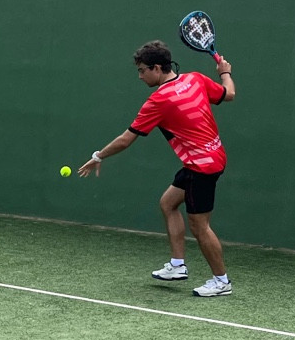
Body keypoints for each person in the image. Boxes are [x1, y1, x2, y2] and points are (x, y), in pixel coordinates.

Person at [78, 39, 236, 297]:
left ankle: (221, 282)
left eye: (142, 70)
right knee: (168, 203)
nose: (140, 76)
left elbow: (126, 139)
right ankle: (177, 265)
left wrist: (98, 156)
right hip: (212, 157)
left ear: (157, 68)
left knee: (200, 226)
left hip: (202, 167)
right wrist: (225, 73)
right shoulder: (195, 79)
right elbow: (228, 94)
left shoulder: (159, 100)